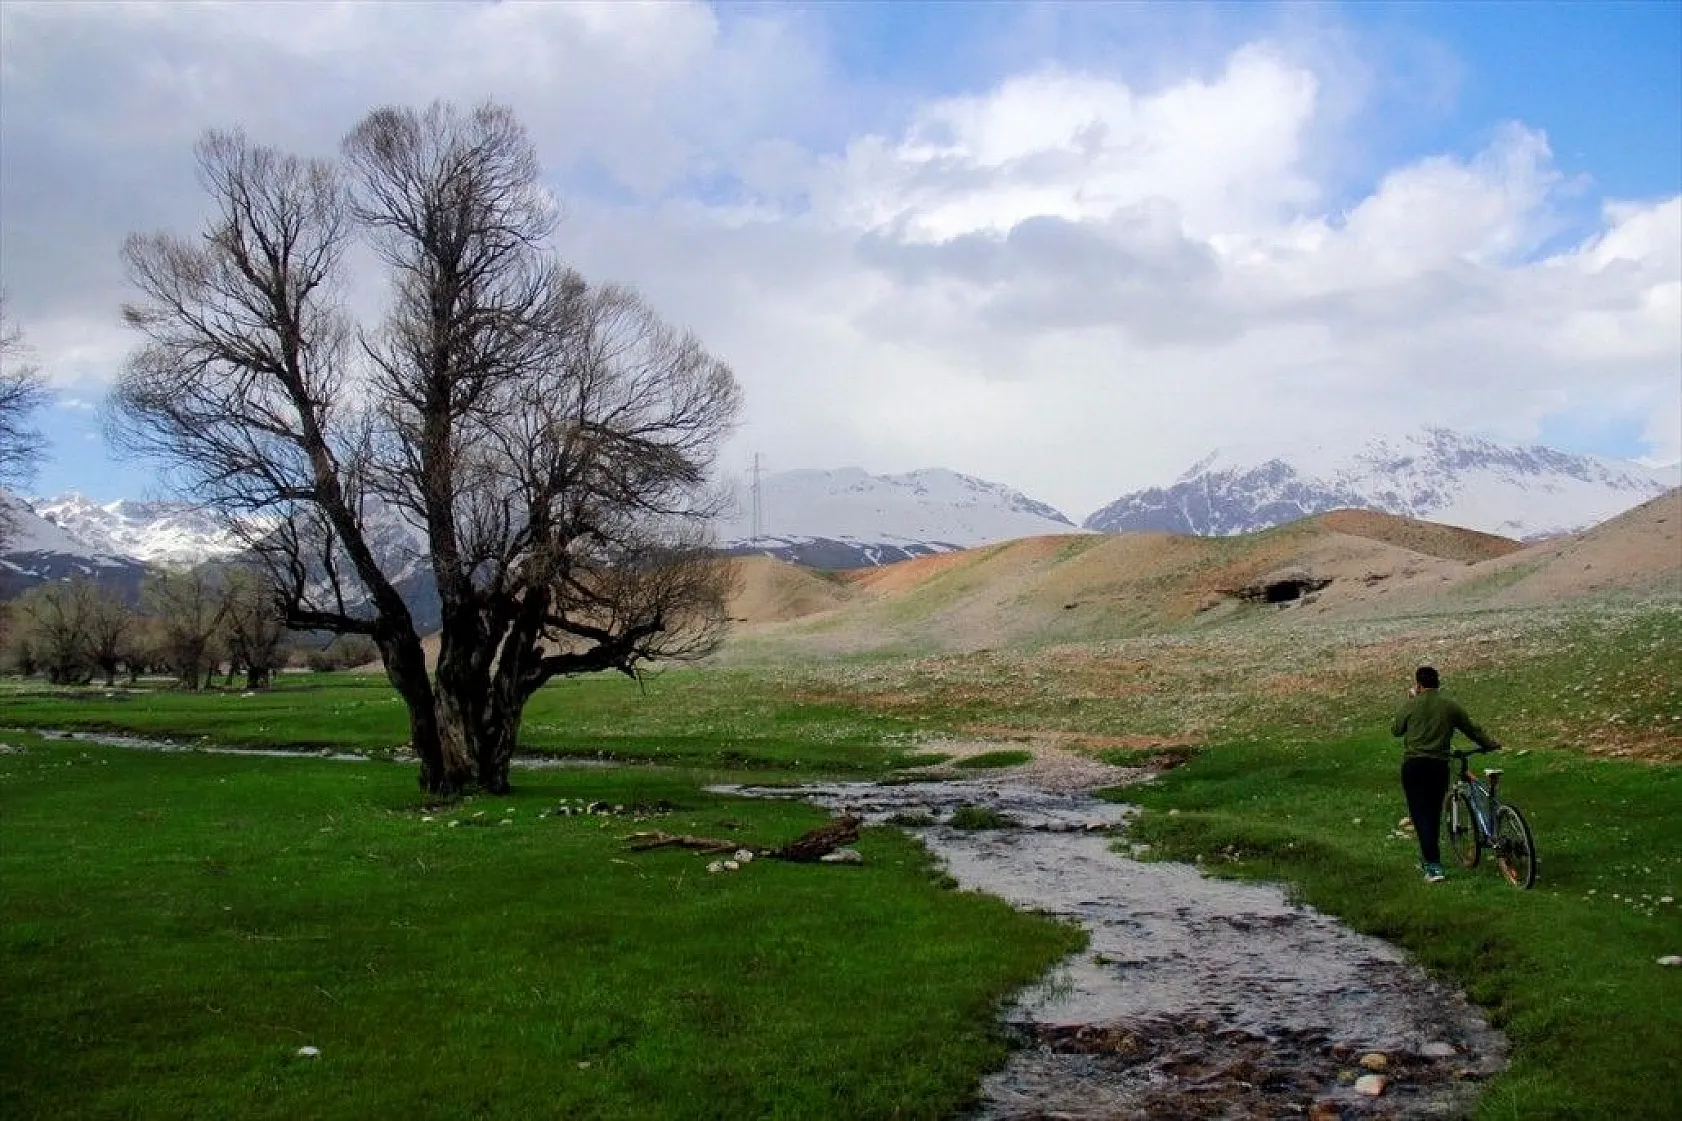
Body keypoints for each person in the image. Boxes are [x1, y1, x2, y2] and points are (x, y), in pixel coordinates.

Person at [1390, 665, 1501, 883]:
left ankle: (1433, 866)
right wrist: (1489, 744)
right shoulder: (1450, 706)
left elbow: (1396, 730)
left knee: (1419, 814)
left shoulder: (1412, 704)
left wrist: (1411, 700)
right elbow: (1472, 729)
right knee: (1432, 812)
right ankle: (1431, 860)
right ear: (1437, 683)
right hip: (1438, 766)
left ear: (1418, 684)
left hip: (1414, 766)